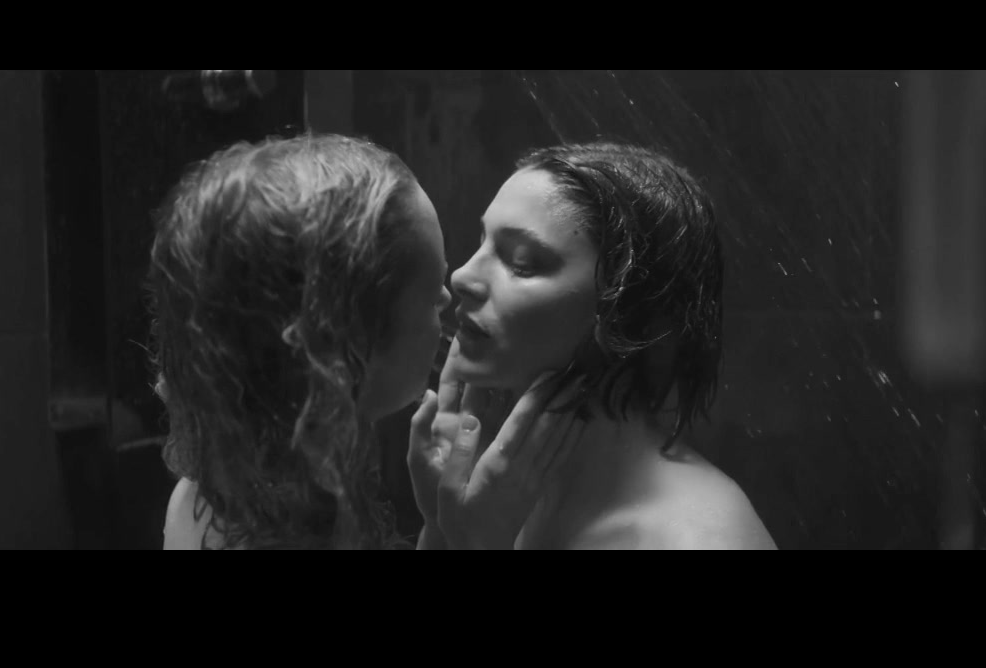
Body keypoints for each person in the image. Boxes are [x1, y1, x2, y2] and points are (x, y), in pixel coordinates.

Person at [150, 134, 572, 549]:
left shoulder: (213, 492)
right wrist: (478, 542)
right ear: (347, 339)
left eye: (521, 262)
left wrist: (440, 527)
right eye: (430, 296)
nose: (453, 290)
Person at [409, 141, 777, 550]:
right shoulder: (501, 495)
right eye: (482, 242)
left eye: (522, 262)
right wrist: (442, 527)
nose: (462, 276)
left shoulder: (696, 541)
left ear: (628, 312)